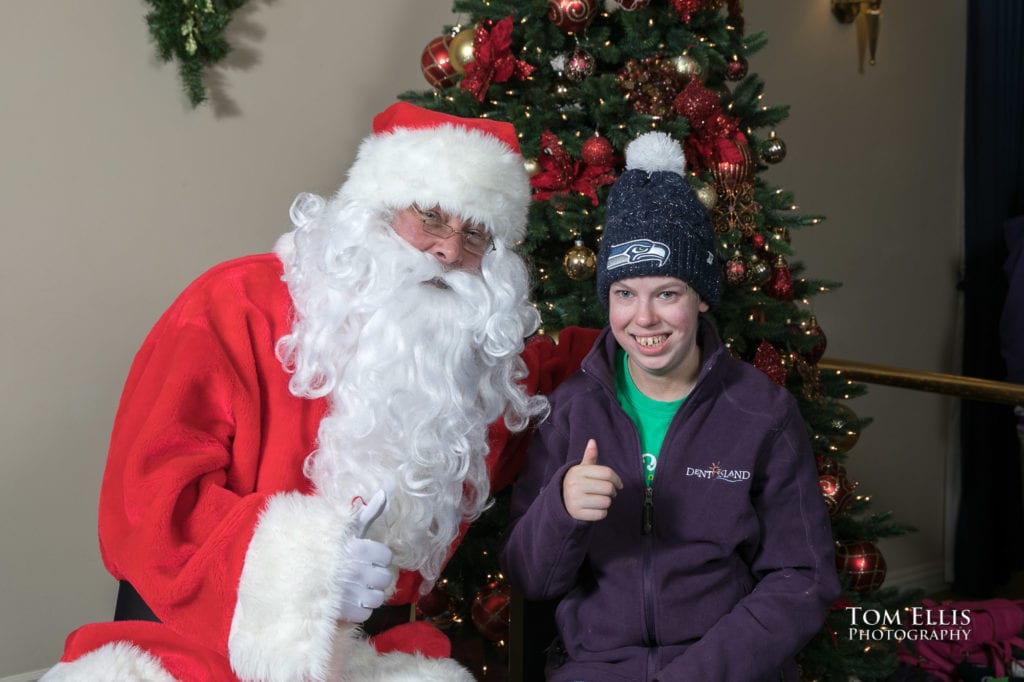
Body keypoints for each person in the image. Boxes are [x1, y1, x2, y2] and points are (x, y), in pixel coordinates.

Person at [41, 102, 598, 682]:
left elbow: (610, 360)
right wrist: (304, 572)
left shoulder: (478, 367)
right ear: (374, 211)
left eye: (475, 234)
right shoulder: (232, 305)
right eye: (430, 216)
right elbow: (147, 501)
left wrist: (656, 304)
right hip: (195, 646)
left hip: (378, 659)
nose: (449, 252)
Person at [500, 131, 840, 681]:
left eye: (667, 293)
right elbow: (529, 579)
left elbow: (801, 578)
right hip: (598, 669)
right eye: (624, 293)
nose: (645, 318)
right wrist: (560, 508)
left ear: (701, 296)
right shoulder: (571, 411)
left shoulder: (762, 413)